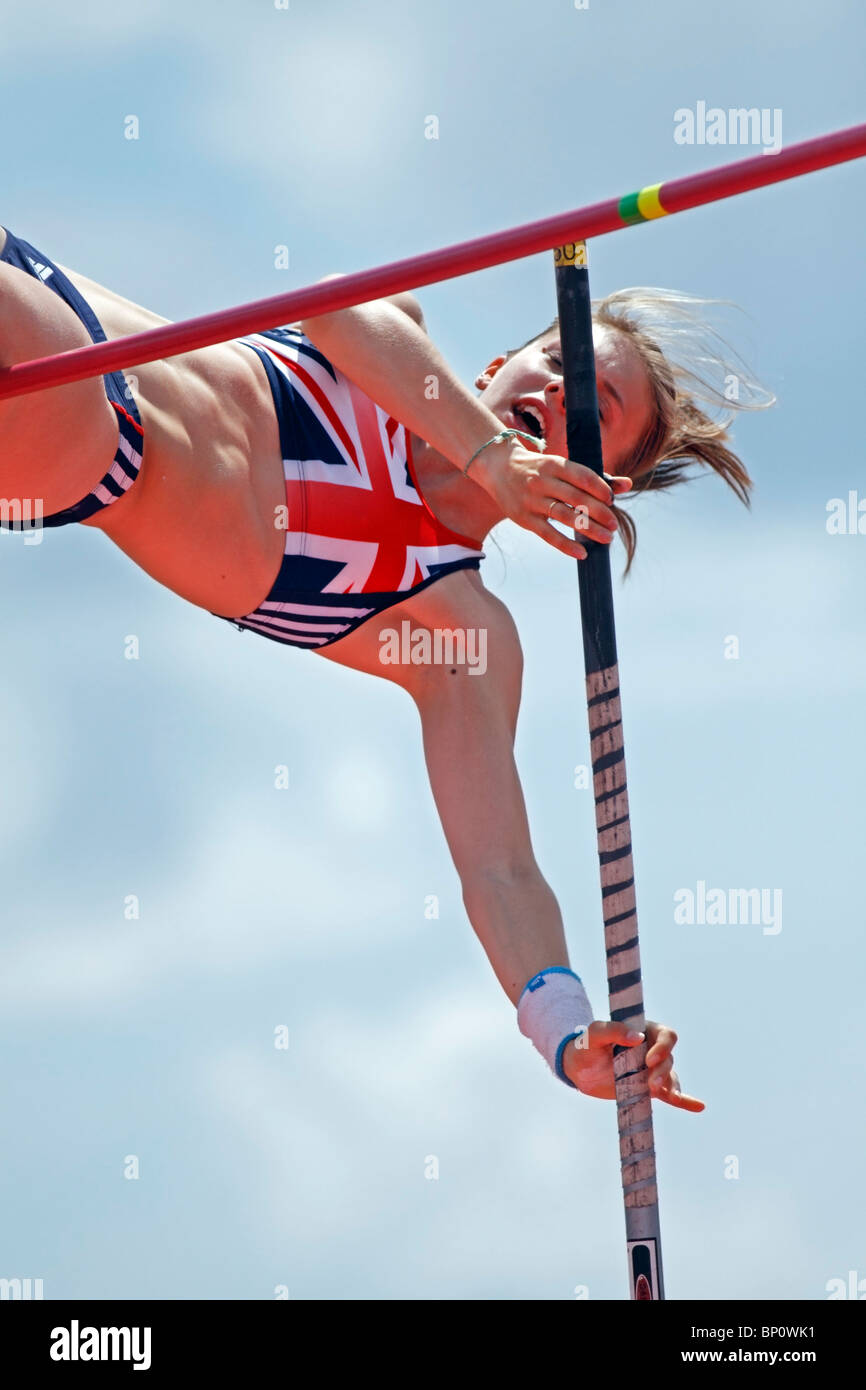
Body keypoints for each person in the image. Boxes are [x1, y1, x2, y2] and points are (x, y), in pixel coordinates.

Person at [0, 226, 767, 1105]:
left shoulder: (457, 631)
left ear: (595, 485)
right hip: (59, 297)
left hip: (84, 435)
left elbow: (502, 871)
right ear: (490, 369)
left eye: (594, 407)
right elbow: (331, 306)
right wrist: (492, 455)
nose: (559, 389)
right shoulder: (390, 338)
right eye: (555, 359)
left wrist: (567, 1035)